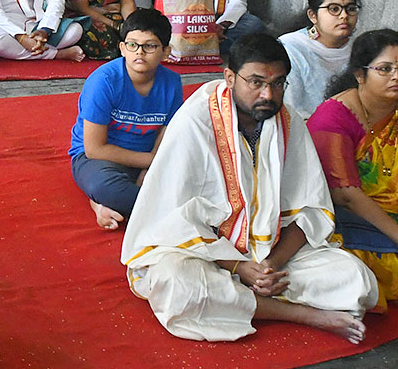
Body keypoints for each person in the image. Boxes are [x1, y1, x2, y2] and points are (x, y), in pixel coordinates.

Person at [121, 35, 378, 343]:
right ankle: (306, 315)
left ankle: (242, 301)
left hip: (271, 251)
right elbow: (170, 219)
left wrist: (271, 266)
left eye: (278, 83)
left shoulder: (288, 121)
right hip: (204, 254)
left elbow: (311, 209)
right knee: (180, 287)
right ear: (230, 77)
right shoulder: (196, 120)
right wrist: (239, 267)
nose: (268, 94)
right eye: (255, 82)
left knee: (357, 281)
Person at [69, 9, 183, 229]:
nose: (139, 52)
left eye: (149, 46)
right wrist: (152, 163)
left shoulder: (172, 83)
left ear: (166, 52)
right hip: (99, 161)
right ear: (122, 48)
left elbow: (167, 133)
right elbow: (94, 149)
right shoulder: (104, 81)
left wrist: (149, 170)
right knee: (107, 188)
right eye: (132, 45)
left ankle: (120, 206)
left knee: (197, 173)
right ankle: (105, 201)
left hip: (148, 158)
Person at [308, 29, 398, 307]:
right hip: (347, 221)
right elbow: (345, 194)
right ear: (360, 75)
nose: (396, 76)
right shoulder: (333, 118)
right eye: (385, 69)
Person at [279, 0, 361, 118]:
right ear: (313, 15)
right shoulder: (291, 48)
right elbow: (290, 106)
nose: (344, 16)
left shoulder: (360, 50)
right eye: (334, 9)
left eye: (351, 9)